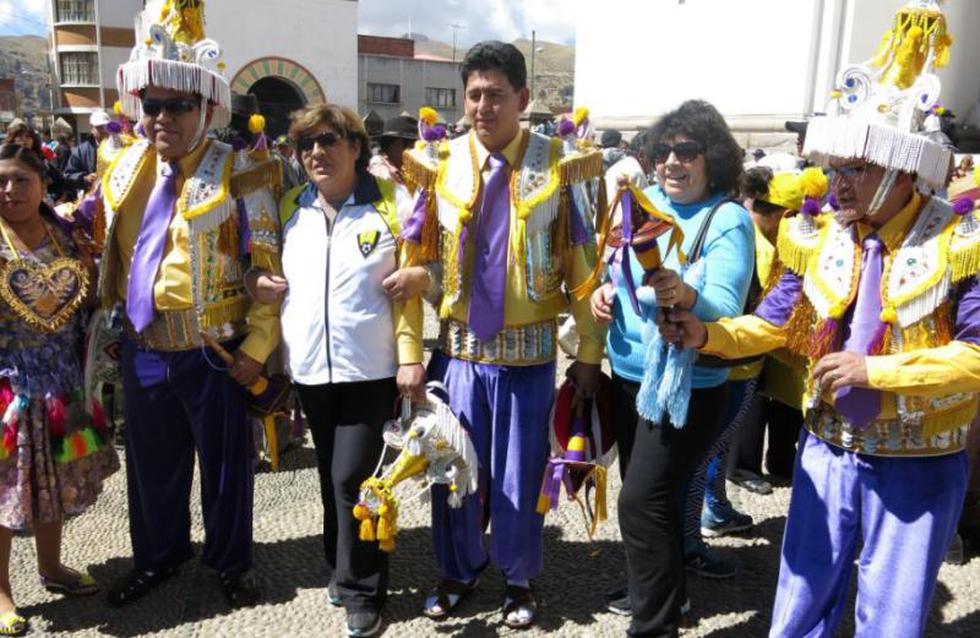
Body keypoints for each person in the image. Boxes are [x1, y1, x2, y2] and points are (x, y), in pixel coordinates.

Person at [661, 4, 978, 635]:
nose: (840, 185)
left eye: (857, 168)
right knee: (801, 594)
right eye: (836, 167)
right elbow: (777, 321)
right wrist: (708, 336)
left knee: (892, 612)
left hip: (917, 459)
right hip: (827, 447)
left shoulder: (958, 243)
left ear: (903, 166)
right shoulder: (827, 238)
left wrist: (877, 371)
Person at [397, 41, 606, 629]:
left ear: (523, 99)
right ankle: (459, 569)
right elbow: (413, 270)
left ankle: (518, 576)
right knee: (453, 470)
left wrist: (590, 352)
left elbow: (583, 267)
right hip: (458, 355)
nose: (483, 107)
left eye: (495, 95)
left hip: (530, 356)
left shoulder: (562, 166)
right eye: (474, 95)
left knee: (520, 476)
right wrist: (410, 353)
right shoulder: (436, 166)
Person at [90, 1, 282, 608]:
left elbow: (267, 273)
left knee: (226, 468)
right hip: (145, 346)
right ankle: (159, 556)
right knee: (151, 469)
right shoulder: (120, 169)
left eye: (178, 105)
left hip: (214, 347)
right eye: (153, 104)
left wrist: (256, 349)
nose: (163, 117)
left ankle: (230, 561)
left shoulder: (242, 171)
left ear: (207, 108)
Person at [590, 99, 754, 635]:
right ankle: (660, 592)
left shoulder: (726, 218)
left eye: (687, 151)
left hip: (690, 385)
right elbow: (615, 267)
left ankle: (654, 623)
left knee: (641, 502)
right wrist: (604, 292)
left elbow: (726, 302)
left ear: (714, 160)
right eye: (663, 149)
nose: (671, 161)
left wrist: (686, 292)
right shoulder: (643, 203)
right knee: (653, 504)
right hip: (630, 377)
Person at [261, 102, 410, 637]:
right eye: (306, 145)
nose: (317, 153)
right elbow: (267, 271)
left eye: (328, 140)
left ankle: (365, 590)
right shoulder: (290, 206)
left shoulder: (391, 202)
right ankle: (342, 564)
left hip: (371, 368)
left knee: (356, 478)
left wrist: (422, 279)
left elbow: (424, 272)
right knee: (331, 475)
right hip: (309, 367)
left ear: (354, 146)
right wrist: (262, 284)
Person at [0, 144, 119, 636]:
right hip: (9, 390)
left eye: (20, 180)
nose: (9, 191)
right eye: (1, 182)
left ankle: (52, 568)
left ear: (43, 185)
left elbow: (90, 295)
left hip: (64, 387)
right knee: (6, 494)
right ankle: (1, 592)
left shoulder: (67, 239)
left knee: (54, 485)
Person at [726, 168, 808, 494]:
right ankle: (742, 467)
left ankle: (781, 462)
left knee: (787, 398)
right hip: (752, 343)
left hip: (780, 342)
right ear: (785, 214)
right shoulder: (755, 243)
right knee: (752, 402)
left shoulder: (778, 238)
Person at [64, 111, 110, 194]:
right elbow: (68, 175)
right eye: (100, 127)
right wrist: (85, 179)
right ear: (91, 128)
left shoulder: (120, 147)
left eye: (106, 126)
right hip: (91, 197)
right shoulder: (81, 151)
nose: (104, 130)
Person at [368, 114, 418, 186]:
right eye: (407, 144)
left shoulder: (411, 172)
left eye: (416, 145)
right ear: (389, 144)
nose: (413, 150)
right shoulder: (380, 171)